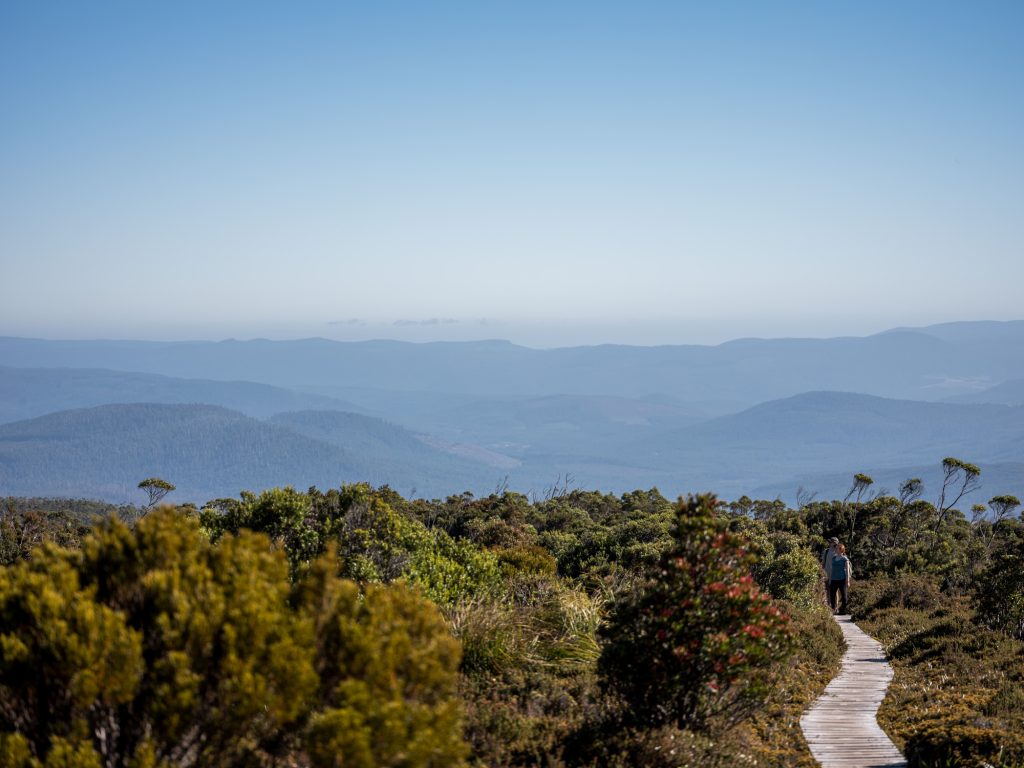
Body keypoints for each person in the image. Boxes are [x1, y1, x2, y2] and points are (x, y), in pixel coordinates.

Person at [828, 543, 852, 615]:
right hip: (834, 579)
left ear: (841, 549)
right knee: (832, 595)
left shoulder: (845, 559)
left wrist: (847, 581)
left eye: (837, 548)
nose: (835, 549)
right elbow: (832, 569)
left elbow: (847, 570)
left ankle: (843, 610)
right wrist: (830, 579)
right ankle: (833, 609)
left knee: (844, 596)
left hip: (842, 579)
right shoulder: (834, 558)